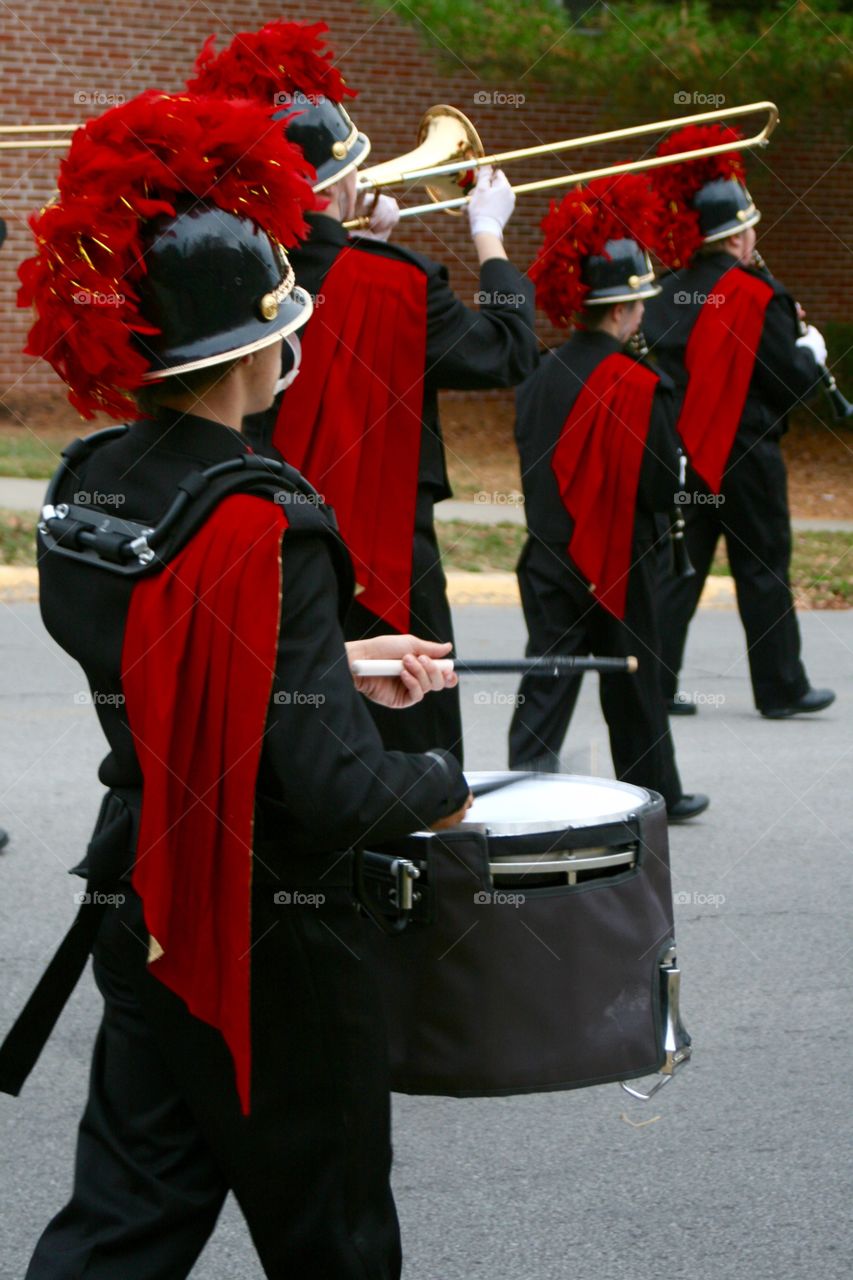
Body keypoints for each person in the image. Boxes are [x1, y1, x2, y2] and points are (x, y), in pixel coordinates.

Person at [0, 90, 470, 1280]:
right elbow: (318, 777)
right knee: (335, 1237)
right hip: (274, 940)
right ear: (253, 346)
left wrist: (326, 659)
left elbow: (172, 658)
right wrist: (440, 783)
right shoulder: (268, 514)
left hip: (144, 892)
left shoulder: (86, 484)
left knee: (123, 1223)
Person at [188, 20, 540, 763]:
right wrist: (489, 238)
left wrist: (355, 248)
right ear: (337, 182)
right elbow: (508, 353)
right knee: (412, 749)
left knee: (284, 742)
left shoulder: (223, 275)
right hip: (389, 561)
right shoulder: (402, 285)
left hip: (257, 541)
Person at [506, 176, 708, 822]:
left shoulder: (538, 374)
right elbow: (656, 484)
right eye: (639, 303)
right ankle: (656, 794)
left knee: (547, 678)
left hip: (546, 550)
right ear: (621, 310)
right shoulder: (640, 382)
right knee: (634, 682)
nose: (643, 314)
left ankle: (520, 794)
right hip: (621, 557)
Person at [644, 125, 834, 719]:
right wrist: (811, 350)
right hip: (748, 453)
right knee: (763, 566)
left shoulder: (663, 293)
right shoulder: (758, 294)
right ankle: (780, 688)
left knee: (681, 570)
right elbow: (792, 382)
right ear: (739, 234)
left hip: (687, 450)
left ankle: (656, 683)